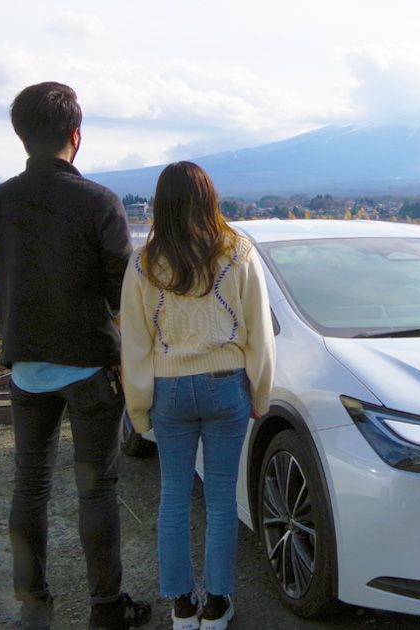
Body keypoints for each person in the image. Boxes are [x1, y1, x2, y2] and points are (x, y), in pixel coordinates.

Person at [0, 82, 151, 630]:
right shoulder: (99, 202)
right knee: (96, 488)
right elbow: (122, 288)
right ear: (76, 135)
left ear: (20, 134)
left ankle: (34, 607)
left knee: (30, 485)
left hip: (26, 367)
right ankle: (106, 608)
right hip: (93, 365)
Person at [120, 161, 274, 630]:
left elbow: (136, 344)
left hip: (169, 392)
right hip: (227, 385)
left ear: (160, 205)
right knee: (222, 500)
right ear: (210, 199)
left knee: (174, 498)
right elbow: (260, 333)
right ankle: (217, 604)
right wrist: (260, 394)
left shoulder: (144, 262)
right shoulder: (239, 251)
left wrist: (139, 407)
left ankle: (182, 605)